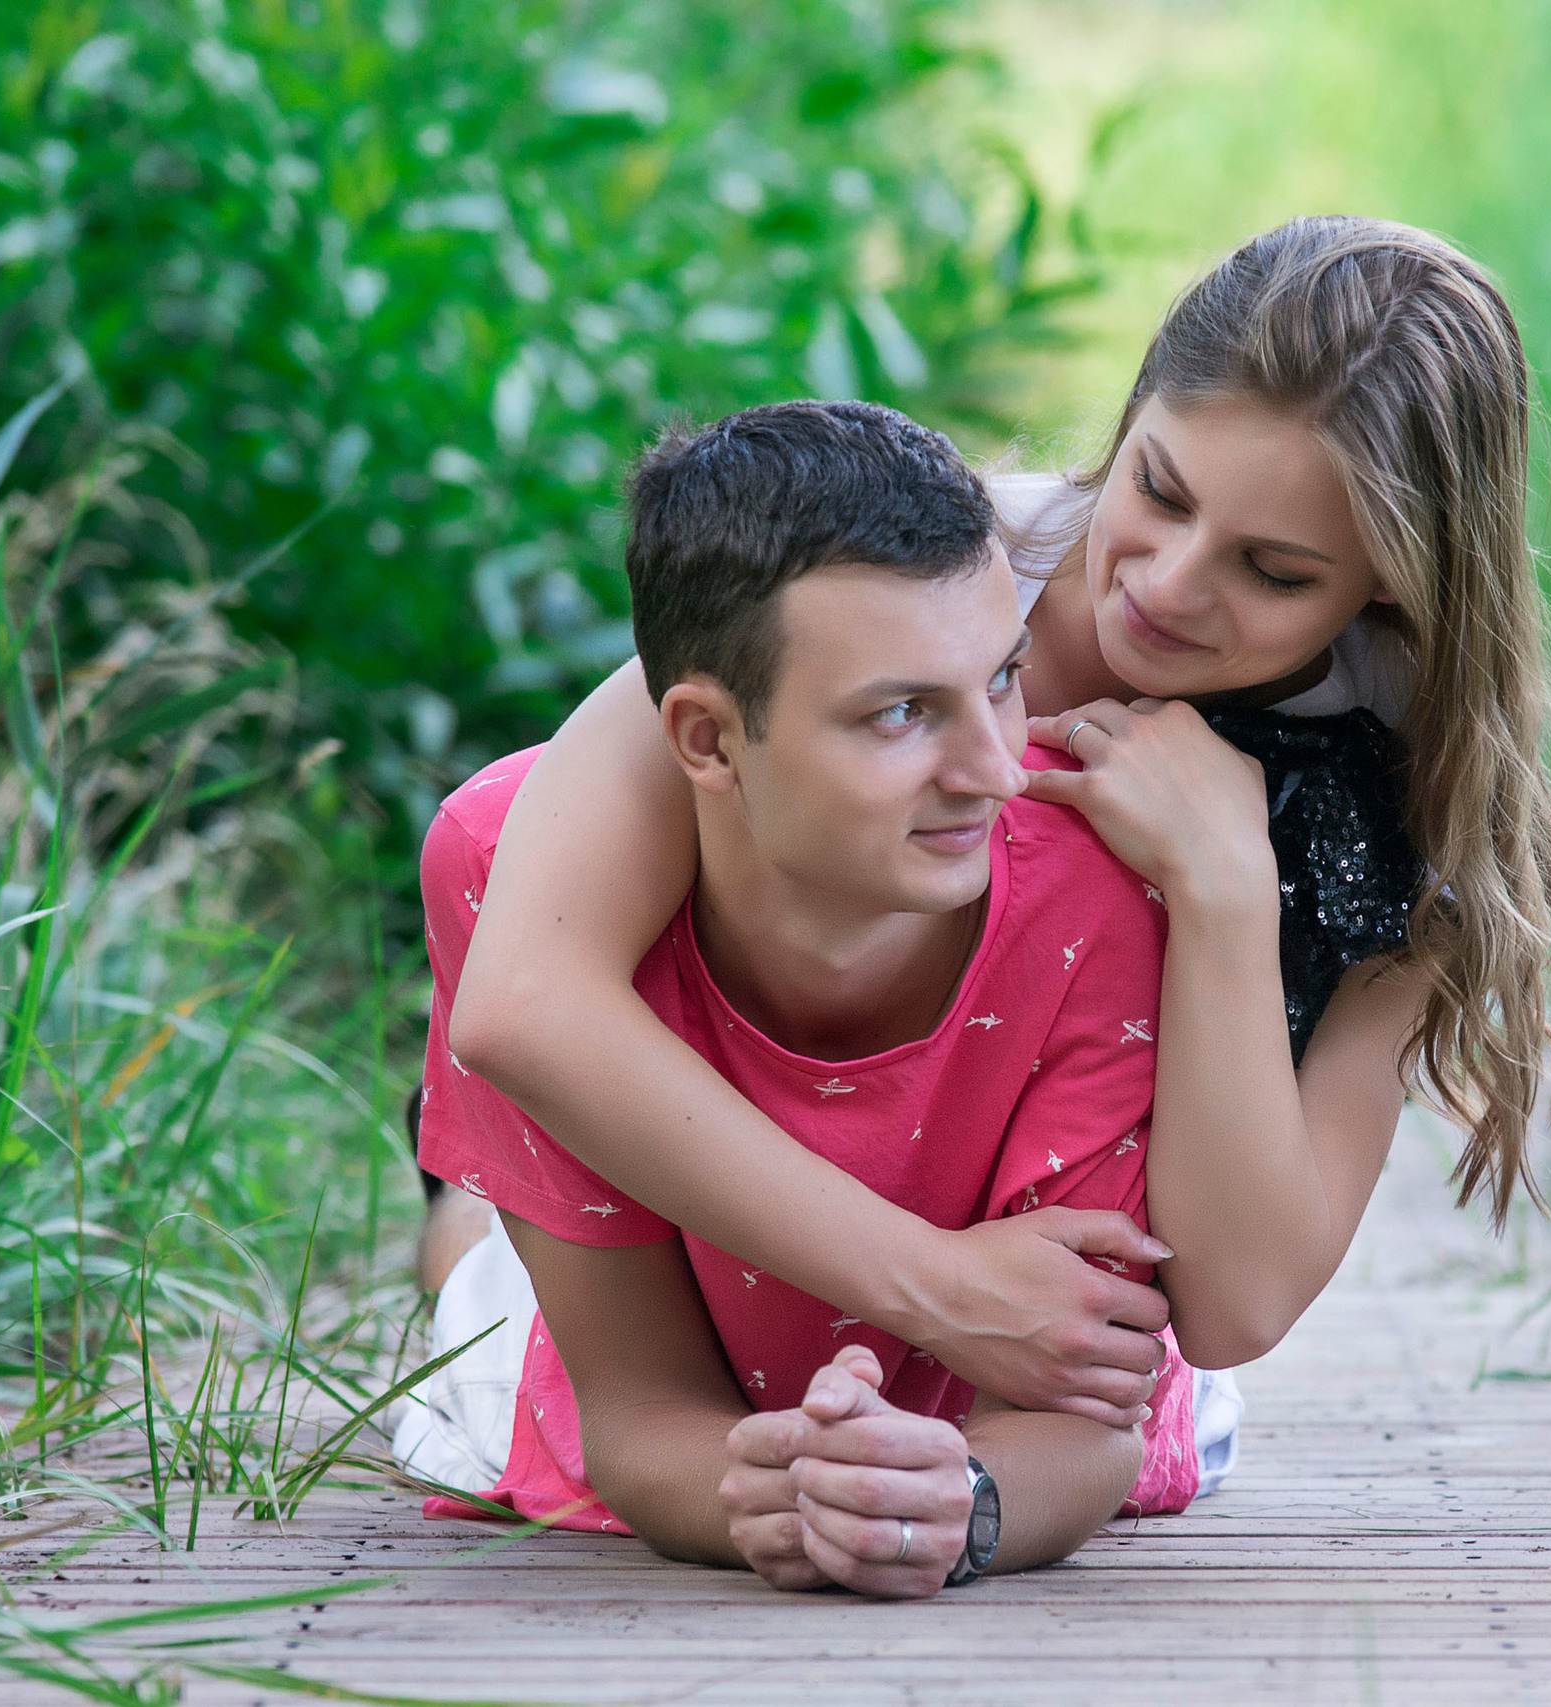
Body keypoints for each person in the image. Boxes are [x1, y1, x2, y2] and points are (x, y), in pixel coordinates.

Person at [434, 215, 1551, 1431]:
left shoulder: (1398, 794)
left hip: (1053, 1332)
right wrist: (939, 1289)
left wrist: (1226, 887)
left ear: (1392, 581)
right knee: (485, 1323)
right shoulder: (897, 570)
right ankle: (459, 1207)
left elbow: (1232, 1309)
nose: (1168, 586)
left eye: (1275, 572)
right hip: (725, 1206)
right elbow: (523, 992)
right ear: (1130, 416)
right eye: (1159, 489)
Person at [400, 401, 1208, 1596]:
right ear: (709, 742)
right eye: (899, 713)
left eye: (1000, 680)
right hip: (661, 1349)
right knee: (479, 1303)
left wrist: (959, 1506)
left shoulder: (1096, 875)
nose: (995, 770)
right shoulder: (508, 865)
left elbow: (1086, 1418)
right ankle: (467, 1222)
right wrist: (774, 1498)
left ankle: (475, 1217)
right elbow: (633, 1412)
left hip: (1010, 1387)